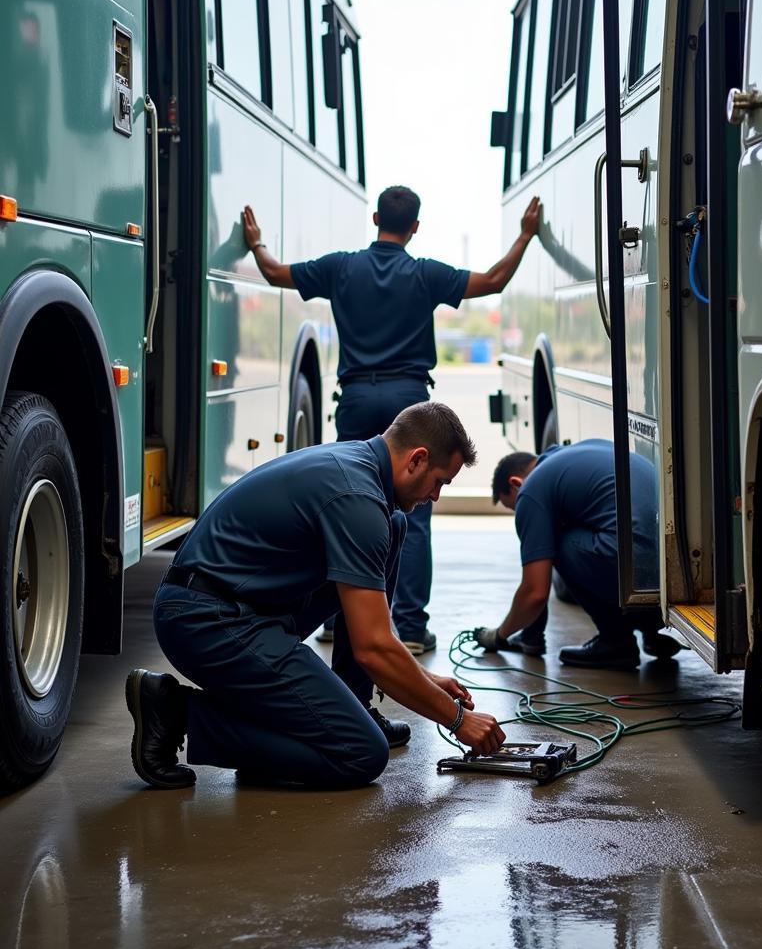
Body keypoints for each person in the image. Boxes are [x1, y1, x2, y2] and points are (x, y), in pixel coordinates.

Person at [125, 402, 506, 790]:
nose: (437, 496)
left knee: (394, 527)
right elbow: (373, 647)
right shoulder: (357, 499)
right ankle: (178, 712)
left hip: (237, 607)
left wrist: (423, 679)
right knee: (360, 753)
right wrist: (458, 720)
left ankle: (344, 709)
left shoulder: (357, 467)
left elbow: (372, 628)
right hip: (205, 620)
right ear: (417, 459)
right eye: (440, 481)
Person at [240, 187, 542, 656]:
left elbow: (275, 273)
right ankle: (412, 628)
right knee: (414, 514)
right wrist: (524, 236)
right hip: (409, 403)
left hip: (357, 398)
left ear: (376, 217)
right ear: (415, 227)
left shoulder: (340, 267)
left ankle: (340, 622)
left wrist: (256, 242)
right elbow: (495, 280)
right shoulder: (425, 274)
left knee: (346, 504)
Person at [474, 440, 682, 670]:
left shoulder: (530, 489)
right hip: (676, 558)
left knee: (560, 543)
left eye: (514, 507)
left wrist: (498, 635)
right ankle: (649, 628)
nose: (521, 513)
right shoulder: (574, 454)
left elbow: (535, 592)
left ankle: (615, 642)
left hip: (638, 562)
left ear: (516, 484)